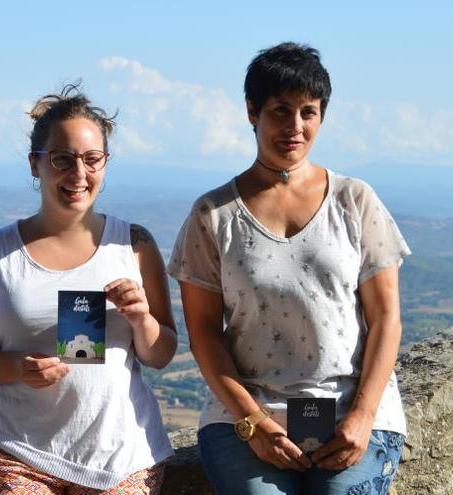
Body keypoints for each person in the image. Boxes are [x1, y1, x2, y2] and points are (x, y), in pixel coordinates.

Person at [168, 42, 408, 494]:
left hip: (353, 409)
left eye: (308, 112)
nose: (295, 127)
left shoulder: (355, 201)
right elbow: (202, 332)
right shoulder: (213, 214)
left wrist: (362, 415)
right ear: (252, 112)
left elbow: (386, 318)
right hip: (245, 412)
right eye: (280, 111)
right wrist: (253, 422)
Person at [0, 84, 177, 494]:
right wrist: (17, 368)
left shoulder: (134, 245)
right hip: (14, 448)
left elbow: (160, 354)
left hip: (119, 454)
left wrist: (142, 319)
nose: (79, 174)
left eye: (92, 160)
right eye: (62, 160)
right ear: (36, 165)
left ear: (105, 163)